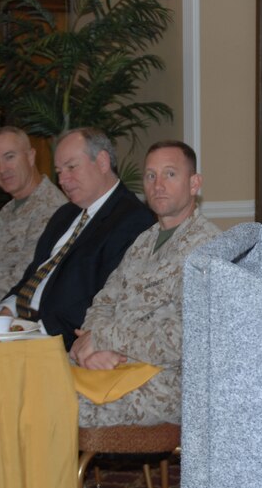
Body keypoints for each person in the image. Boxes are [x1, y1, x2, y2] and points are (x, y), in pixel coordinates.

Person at [71, 140, 220, 426]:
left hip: (165, 382)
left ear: (194, 184)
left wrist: (103, 339)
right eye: (151, 176)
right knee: (29, 381)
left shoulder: (208, 249)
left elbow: (184, 338)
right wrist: (89, 347)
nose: (158, 184)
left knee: (51, 406)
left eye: (170, 174)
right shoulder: (144, 240)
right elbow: (104, 301)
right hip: (113, 367)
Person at [0, 127, 154, 349]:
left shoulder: (132, 219)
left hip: (55, 339)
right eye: (59, 171)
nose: (63, 180)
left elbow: (105, 299)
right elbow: (34, 273)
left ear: (102, 162)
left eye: (71, 167)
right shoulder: (64, 214)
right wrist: (8, 309)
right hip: (17, 327)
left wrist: (36, 330)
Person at [0, 126, 67, 311]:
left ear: (30, 157)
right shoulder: (7, 210)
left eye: (10, 157)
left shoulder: (52, 210)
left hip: (10, 318)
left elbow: (22, 279)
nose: (2, 169)